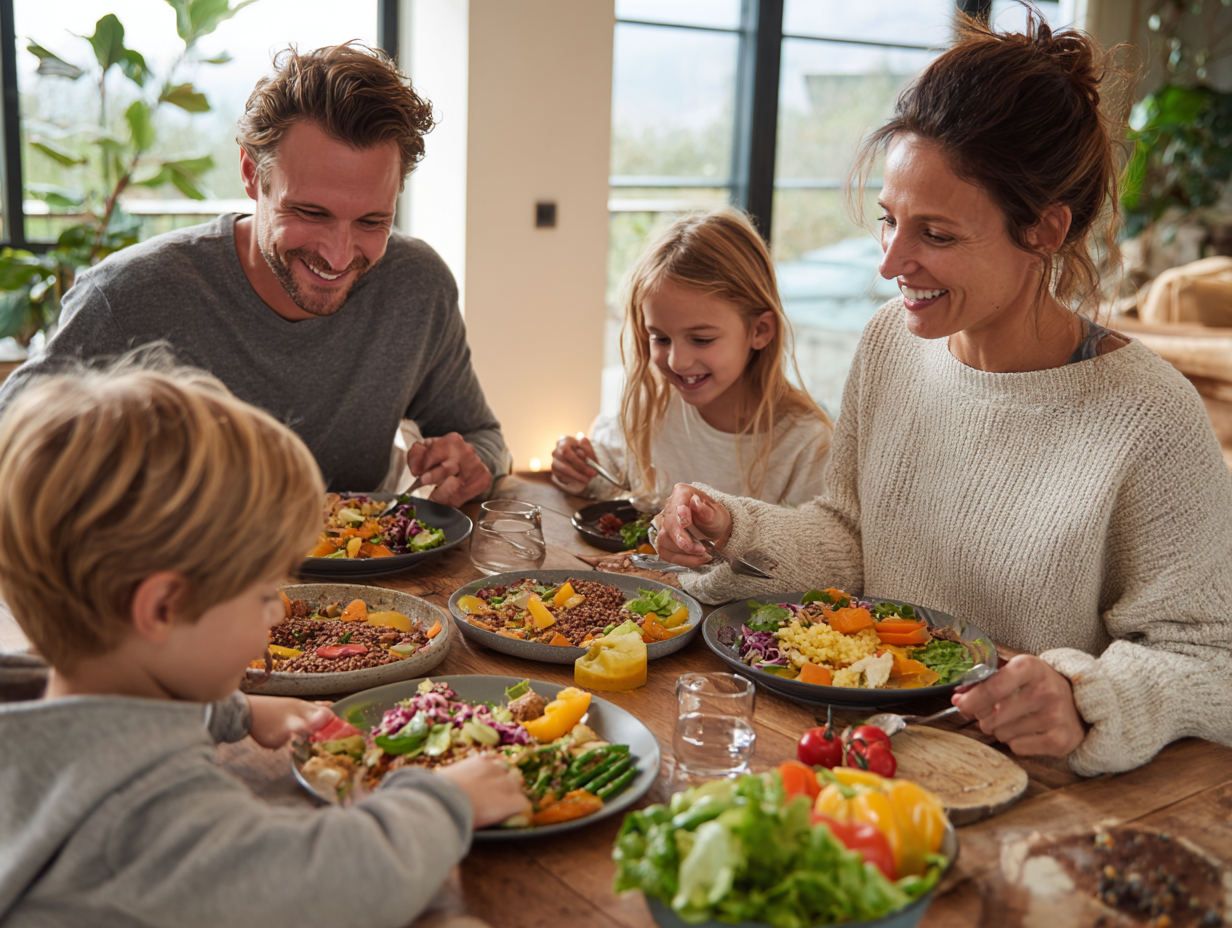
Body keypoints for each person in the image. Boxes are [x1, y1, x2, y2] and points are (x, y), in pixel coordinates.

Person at [654, 16, 1232, 776]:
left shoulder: (1149, 418)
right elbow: (855, 540)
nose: (892, 261)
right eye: (890, 221)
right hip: (871, 757)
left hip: (1039, 795)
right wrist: (737, 529)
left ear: (1045, 230)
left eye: (937, 234)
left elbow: (1210, 658)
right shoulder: (890, 344)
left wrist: (1087, 693)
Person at [0, 362, 528, 927]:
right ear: (161, 609)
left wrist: (236, 709)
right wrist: (446, 801)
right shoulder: (150, 825)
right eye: (259, 593)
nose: (277, 609)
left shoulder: (35, 709)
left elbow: (106, 718)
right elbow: (336, 884)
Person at [0, 44, 507, 506]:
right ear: (250, 173)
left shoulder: (417, 285)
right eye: (310, 213)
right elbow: (11, 448)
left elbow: (483, 436)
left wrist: (472, 463)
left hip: (365, 595)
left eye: (373, 221)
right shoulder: (129, 295)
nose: (337, 255)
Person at [552, 208, 832, 506]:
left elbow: (812, 546)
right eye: (660, 338)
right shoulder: (652, 406)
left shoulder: (806, 443)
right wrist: (580, 468)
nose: (676, 362)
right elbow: (612, 475)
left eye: (701, 339)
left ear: (760, 331)